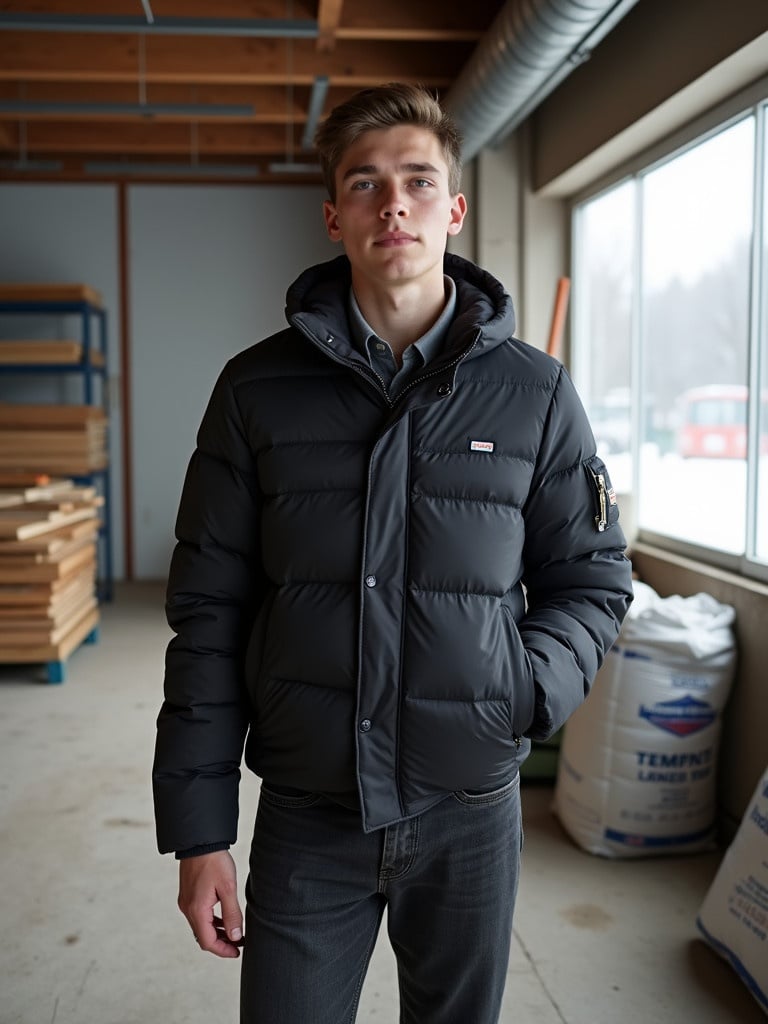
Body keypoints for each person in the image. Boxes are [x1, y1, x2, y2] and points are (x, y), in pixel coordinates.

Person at [153, 82, 633, 1024]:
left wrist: (521, 691)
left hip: (470, 811)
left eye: (418, 180)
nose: (394, 203)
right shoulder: (256, 392)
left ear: (454, 209)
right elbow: (208, 614)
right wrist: (200, 832)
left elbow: (592, 577)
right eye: (366, 184)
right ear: (334, 216)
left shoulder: (534, 395)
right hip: (307, 807)